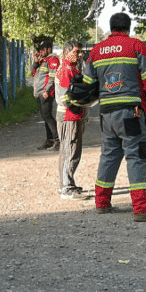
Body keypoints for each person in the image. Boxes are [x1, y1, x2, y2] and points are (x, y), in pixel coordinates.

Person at [79, 12, 146, 222]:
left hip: (106, 115)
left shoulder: (96, 51)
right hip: (131, 113)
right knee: (136, 156)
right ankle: (141, 208)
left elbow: (87, 85)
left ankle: (102, 203)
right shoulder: (136, 46)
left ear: (111, 28)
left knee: (109, 155)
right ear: (128, 28)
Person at [55, 39, 89, 200]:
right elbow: (66, 97)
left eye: (81, 51)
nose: (80, 55)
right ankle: (66, 188)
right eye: (76, 52)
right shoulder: (66, 70)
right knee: (70, 151)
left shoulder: (72, 69)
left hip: (74, 116)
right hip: (69, 117)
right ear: (66, 53)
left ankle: (67, 183)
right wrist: (80, 110)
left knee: (69, 150)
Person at [31, 41, 60, 150]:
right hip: (39, 93)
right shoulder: (43, 61)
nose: (40, 52)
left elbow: (52, 77)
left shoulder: (53, 60)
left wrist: (46, 91)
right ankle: (50, 140)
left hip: (46, 94)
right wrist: (35, 63)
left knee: (47, 116)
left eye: (42, 49)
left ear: (48, 49)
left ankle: (58, 140)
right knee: (45, 116)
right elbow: (33, 73)